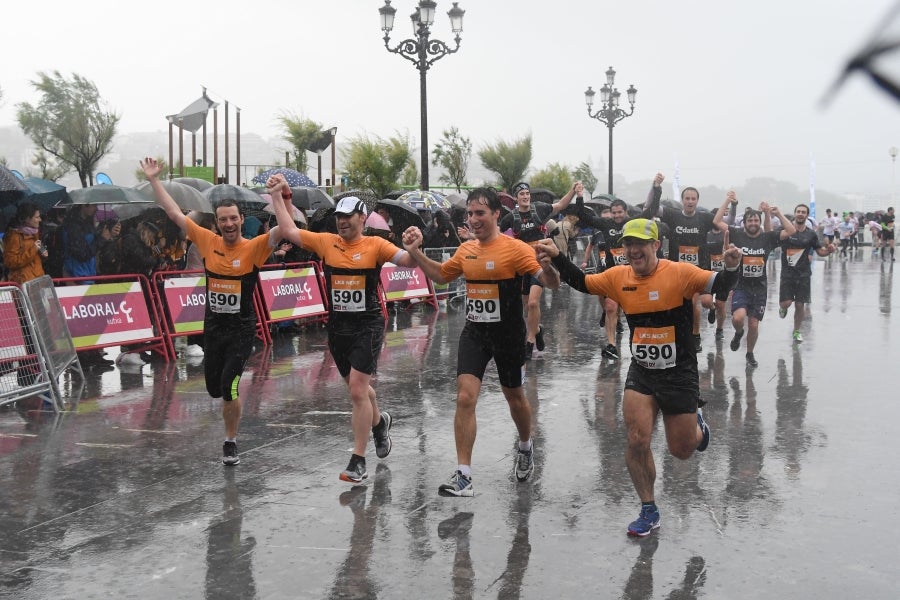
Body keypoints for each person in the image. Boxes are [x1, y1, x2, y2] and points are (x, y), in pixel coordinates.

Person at [535, 218, 741, 537]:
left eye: (640, 244)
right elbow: (581, 282)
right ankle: (648, 508)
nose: (633, 250)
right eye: (628, 243)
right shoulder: (618, 277)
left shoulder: (680, 273)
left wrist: (732, 266)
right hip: (642, 372)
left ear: (656, 245)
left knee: (682, 450)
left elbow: (722, 285)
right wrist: (558, 257)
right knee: (636, 439)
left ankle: (698, 429)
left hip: (679, 374)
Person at [400, 187, 561, 497]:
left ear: (496, 214)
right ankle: (464, 475)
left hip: (507, 335)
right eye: (470, 214)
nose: (473, 219)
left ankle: (525, 445)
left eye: (480, 213)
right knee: (464, 397)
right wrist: (416, 253)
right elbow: (442, 276)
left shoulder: (516, 249)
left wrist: (548, 266)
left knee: (515, 398)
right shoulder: (466, 250)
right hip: (475, 333)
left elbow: (551, 283)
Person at [267, 174, 420, 484]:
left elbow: (408, 262)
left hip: (368, 325)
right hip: (338, 328)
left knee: (357, 391)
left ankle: (358, 460)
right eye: (338, 217)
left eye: (348, 216)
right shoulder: (327, 242)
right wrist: (276, 196)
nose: (342, 222)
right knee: (359, 389)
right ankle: (379, 424)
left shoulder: (376, 245)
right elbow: (289, 230)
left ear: (362, 218)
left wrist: (414, 248)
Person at [141, 157, 280, 466]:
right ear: (216, 223)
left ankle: (230, 441)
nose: (229, 224)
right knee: (215, 389)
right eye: (223, 220)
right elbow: (174, 213)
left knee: (230, 385)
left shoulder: (254, 247)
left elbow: (283, 230)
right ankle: (227, 411)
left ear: (241, 220)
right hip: (214, 329)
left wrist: (279, 196)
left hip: (242, 330)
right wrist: (154, 180)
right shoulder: (207, 241)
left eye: (233, 219)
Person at [498, 181, 579, 360]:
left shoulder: (540, 209)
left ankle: (530, 341)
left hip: (540, 263)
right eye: (522, 194)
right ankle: (538, 329)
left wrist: (572, 191)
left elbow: (561, 205)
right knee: (527, 306)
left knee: (534, 303)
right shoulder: (510, 217)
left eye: (527, 193)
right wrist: (472, 236)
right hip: (522, 265)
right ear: (516, 198)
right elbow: (495, 234)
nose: (525, 196)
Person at [573, 192, 657, 359]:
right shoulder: (606, 224)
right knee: (610, 307)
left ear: (626, 212)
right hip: (613, 274)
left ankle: (642, 342)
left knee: (637, 310)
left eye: (620, 212)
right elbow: (583, 215)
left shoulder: (632, 223)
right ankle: (611, 345)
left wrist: (656, 188)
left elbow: (650, 211)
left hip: (633, 273)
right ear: (610, 213)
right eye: (614, 213)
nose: (617, 216)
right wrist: (580, 196)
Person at [713, 196, 795, 367]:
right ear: (744, 223)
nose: (753, 223)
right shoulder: (737, 234)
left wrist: (778, 214)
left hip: (760, 288)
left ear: (760, 222)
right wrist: (727, 200)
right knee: (738, 318)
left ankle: (749, 354)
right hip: (740, 285)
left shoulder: (768, 237)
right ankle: (738, 333)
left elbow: (791, 230)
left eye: (756, 220)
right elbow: (717, 221)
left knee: (754, 324)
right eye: (749, 220)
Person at [645, 176, 719, 352]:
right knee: (676, 303)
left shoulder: (704, 218)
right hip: (676, 268)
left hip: (697, 269)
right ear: (682, 200)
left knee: (694, 302)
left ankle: (696, 335)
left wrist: (732, 204)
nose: (690, 201)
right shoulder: (673, 215)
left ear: (697, 201)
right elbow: (651, 208)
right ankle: (678, 333)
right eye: (687, 198)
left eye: (693, 199)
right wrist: (656, 187)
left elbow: (723, 221)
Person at [778, 204, 836, 342]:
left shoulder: (811, 234)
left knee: (800, 305)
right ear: (795, 213)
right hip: (787, 274)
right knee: (786, 303)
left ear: (807, 216)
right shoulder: (785, 231)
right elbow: (770, 235)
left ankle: (796, 331)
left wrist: (829, 251)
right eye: (798, 211)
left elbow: (820, 251)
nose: (800, 214)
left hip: (803, 275)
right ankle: (783, 308)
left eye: (803, 212)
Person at [3, 203, 47, 284]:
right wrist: (33, 250)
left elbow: (34, 260)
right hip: (24, 282)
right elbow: (10, 262)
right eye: (37, 217)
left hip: (38, 279)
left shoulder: (35, 233)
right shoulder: (14, 236)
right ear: (27, 219)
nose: (40, 219)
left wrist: (42, 254)